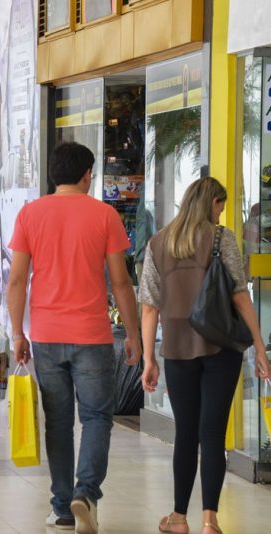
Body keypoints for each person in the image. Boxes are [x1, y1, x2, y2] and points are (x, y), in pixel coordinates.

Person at [6, 142, 140, 533]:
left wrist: (17, 333)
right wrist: (133, 334)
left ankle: (63, 508)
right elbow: (121, 282)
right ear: (87, 175)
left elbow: (17, 280)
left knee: (59, 422)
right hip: (93, 336)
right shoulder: (105, 215)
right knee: (97, 417)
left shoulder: (30, 214)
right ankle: (86, 494)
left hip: (46, 334)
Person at [139, 177, 270, 534]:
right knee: (212, 434)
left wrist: (149, 358)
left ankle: (179, 517)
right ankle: (210, 520)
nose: (220, 214)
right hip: (221, 347)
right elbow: (240, 294)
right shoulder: (221, 238)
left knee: (186, 433)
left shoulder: (158, 242)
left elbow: (149, 306)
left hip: (177, 350)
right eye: (220, 207)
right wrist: (259, 345)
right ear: (211, 202)